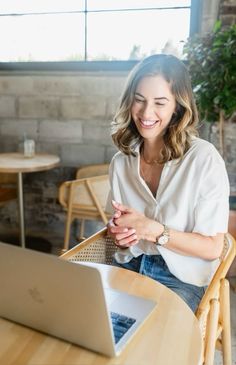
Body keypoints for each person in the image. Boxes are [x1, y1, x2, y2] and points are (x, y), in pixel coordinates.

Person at [106, 54, 230, 312]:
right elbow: (118, 236)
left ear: (178, 107)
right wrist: (120, 234)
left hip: (182, 279)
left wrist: (154, 230)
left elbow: (212, 248)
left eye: (160, 103)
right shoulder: (121, 162)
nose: (146, 113)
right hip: (129, 266)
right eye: (139, 100)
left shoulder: (204, 159)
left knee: (150, 341)